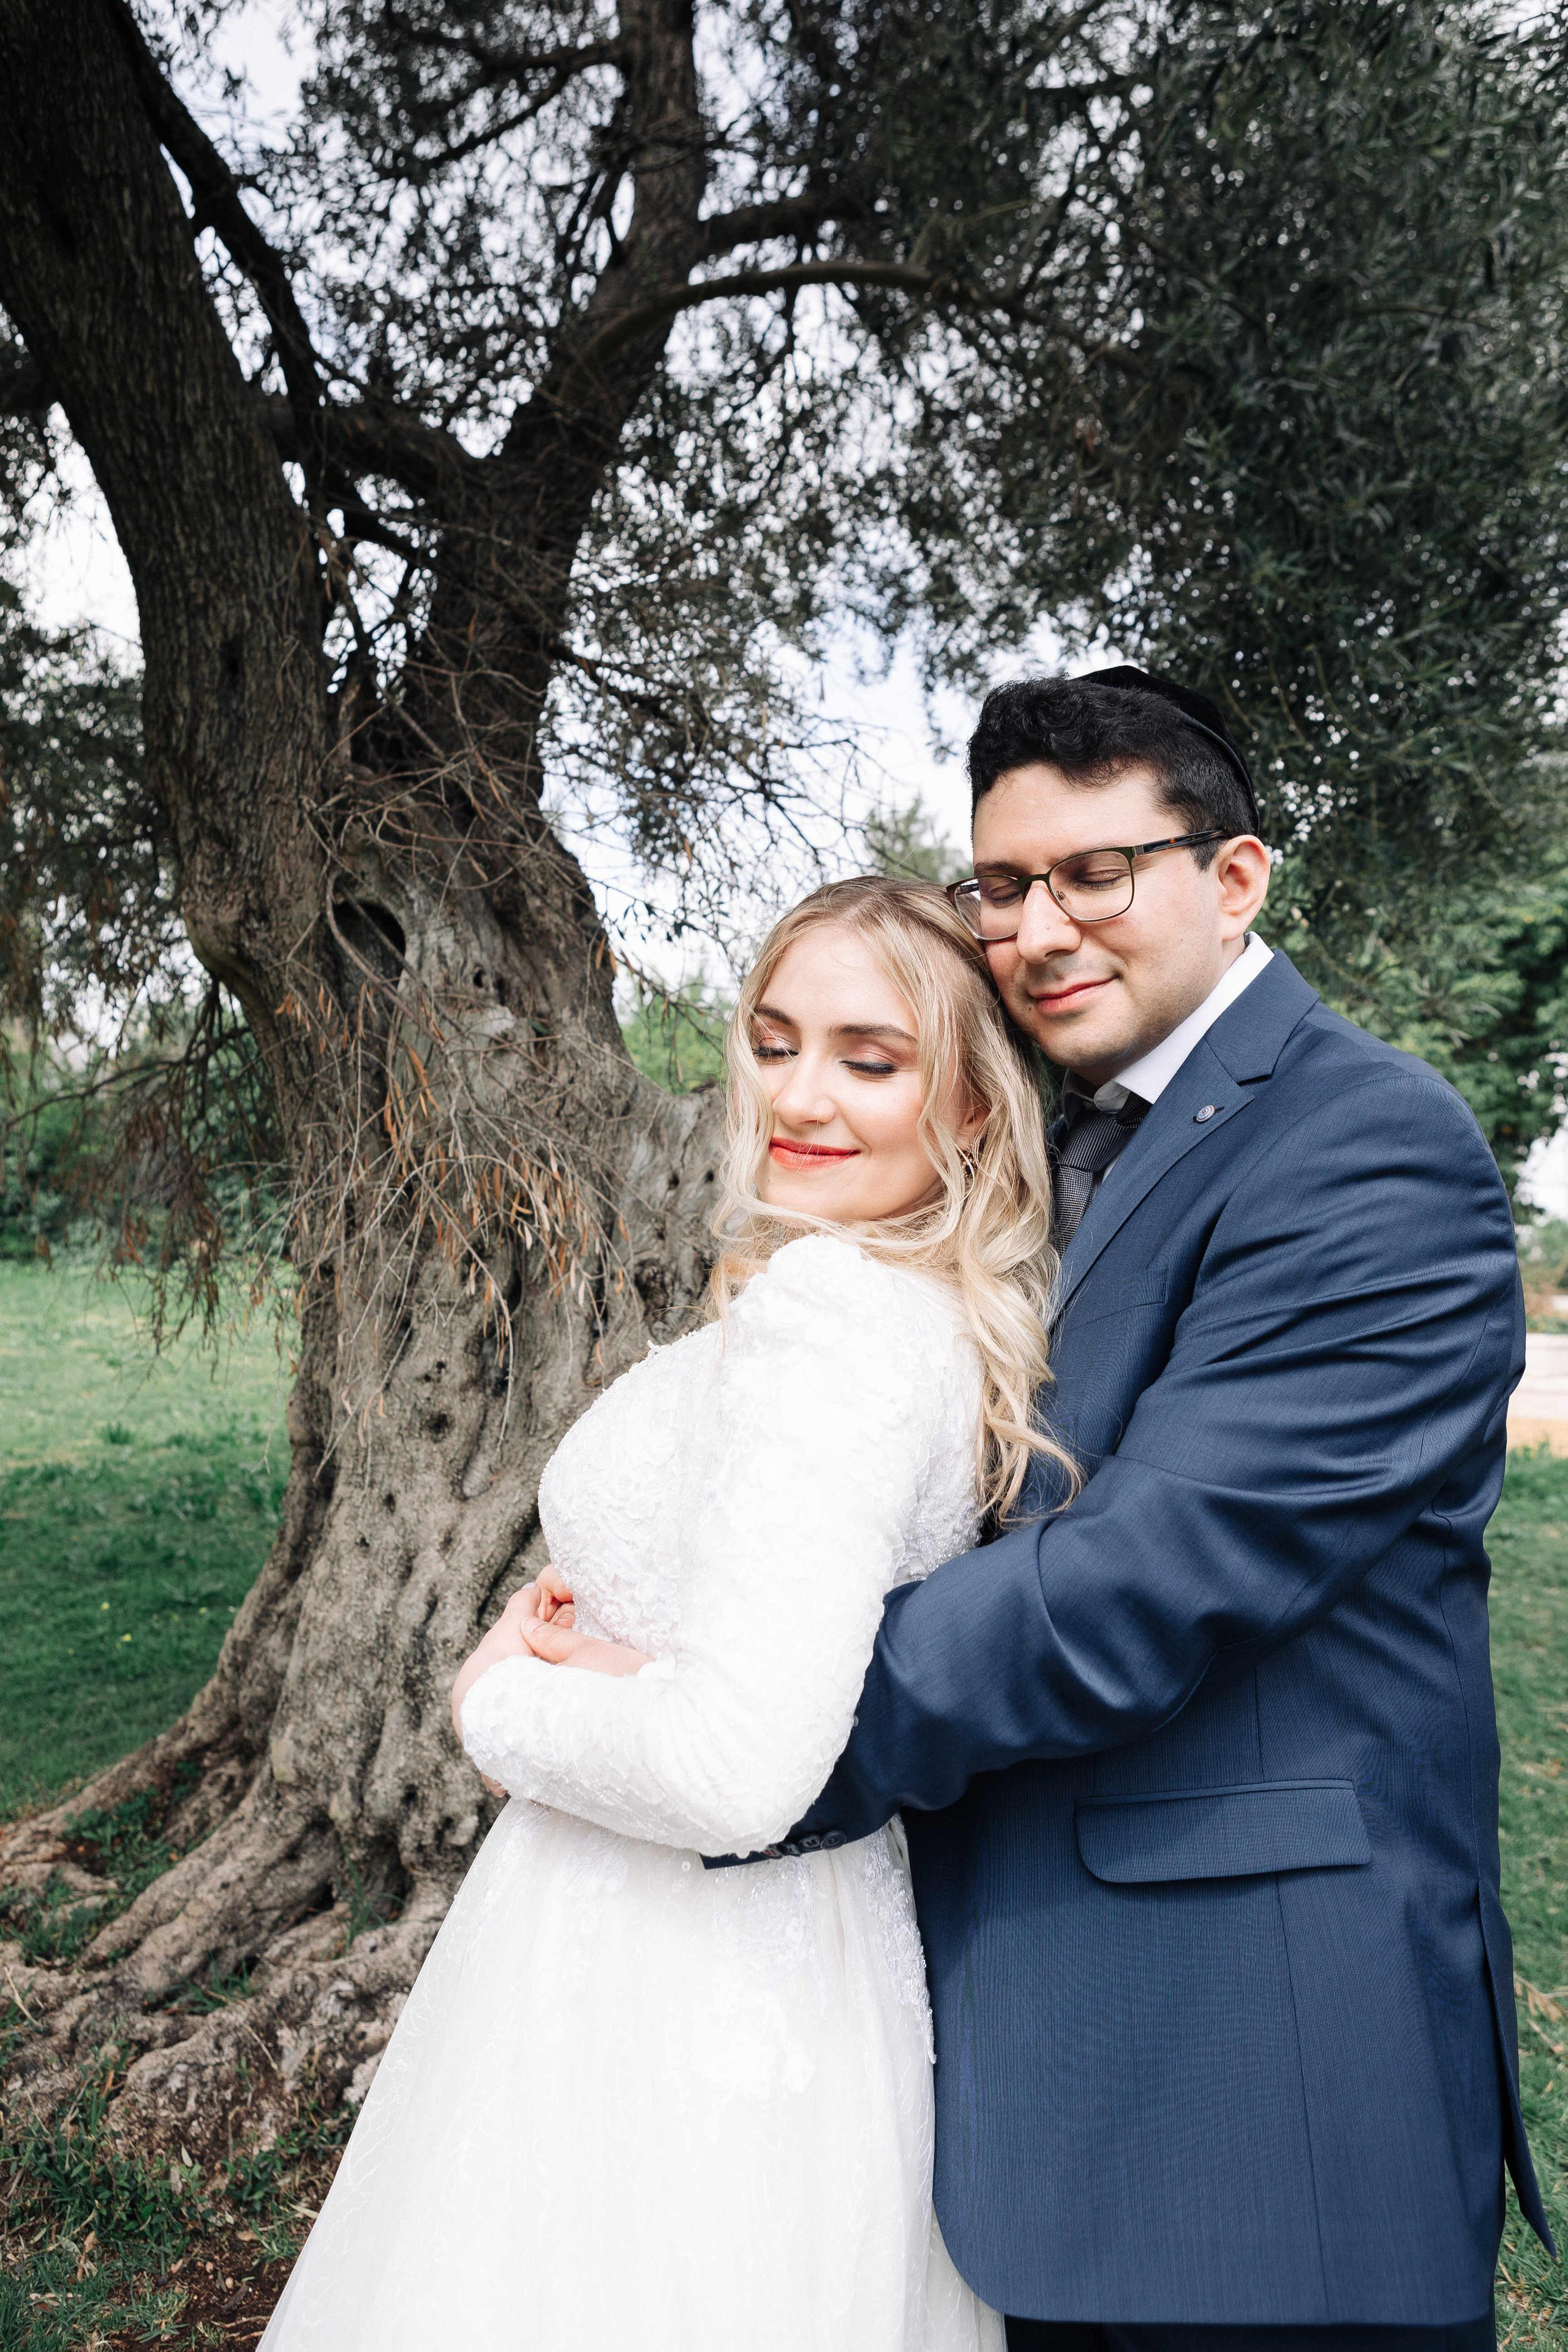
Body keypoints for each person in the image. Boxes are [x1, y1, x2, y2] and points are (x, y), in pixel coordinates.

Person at [758, 669, 1552, 2349]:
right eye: (1002, 885)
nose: (1041, 927)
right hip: (1033, 2078)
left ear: (1236, 878)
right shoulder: (1034, 1134)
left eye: (1096, 873)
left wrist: (758, 1722)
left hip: (1260, 2091)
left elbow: (1149, 1576)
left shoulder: (1366, 1143)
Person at [258, 876, 1069, 2352]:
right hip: (769, 1957)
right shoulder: (906, 1311)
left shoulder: (829, 1325)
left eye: (869, 1059)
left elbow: (732, 1770)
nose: (798, 1094)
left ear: (967, 1109)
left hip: (673, 1979)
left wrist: (494, 1702)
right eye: (771, 1041)